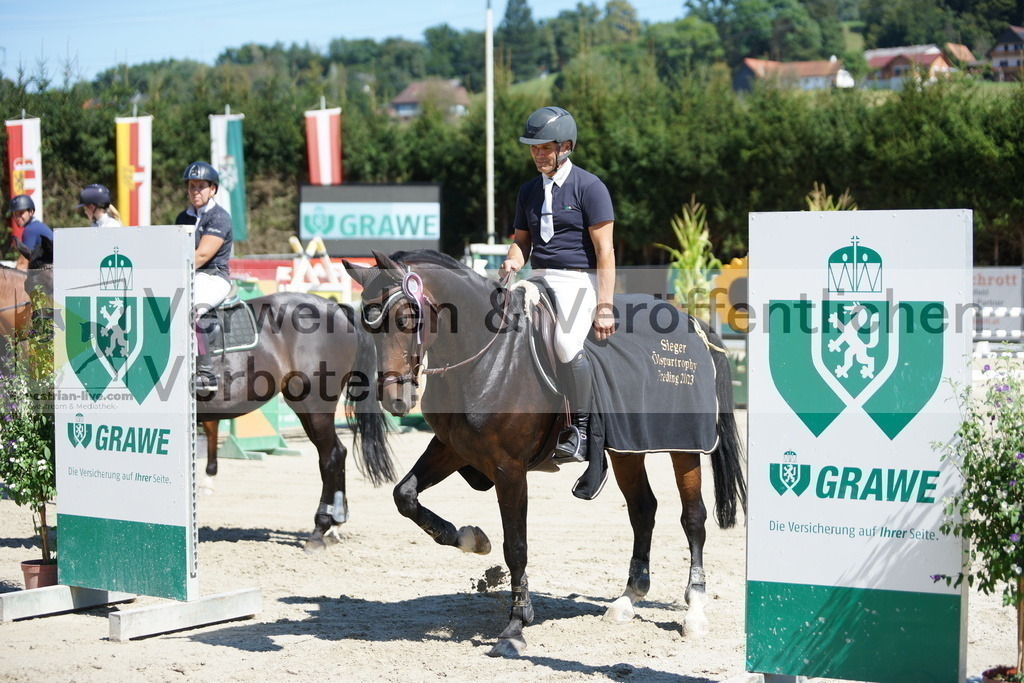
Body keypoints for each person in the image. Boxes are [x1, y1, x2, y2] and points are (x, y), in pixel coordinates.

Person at [499, 106, 616, 462]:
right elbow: (522, 241)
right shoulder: (528, 191)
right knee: (498, 323)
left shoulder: (590, 187)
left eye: (544, 147)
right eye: (533, 148)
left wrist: (605, 306)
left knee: (565, 340)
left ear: (565, 146)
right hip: (537, 278)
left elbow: (605, 252)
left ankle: (579, 430)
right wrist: (513, 260)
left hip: (576, 281)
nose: (537, 154)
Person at [175, 161, 233, 395]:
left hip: (213, 276)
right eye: (191, 186)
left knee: (193, 308)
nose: (195, 191)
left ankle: (206, 372)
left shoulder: (220, 217)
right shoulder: (183, 216)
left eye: (200, 186)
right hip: (188, 274)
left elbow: (202, 255)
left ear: (213, 189)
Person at [9, 194, 54, 271]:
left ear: (31, 211)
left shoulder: (31, 229)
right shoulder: (36, 225)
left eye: (21, 213)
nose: (18, 217)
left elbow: (22, 265)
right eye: (15, 214)